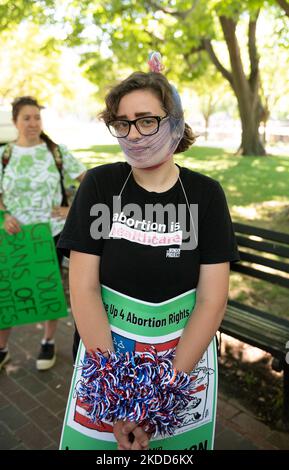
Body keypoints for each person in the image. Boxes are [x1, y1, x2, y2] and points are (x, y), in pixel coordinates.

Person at [57, 54, 239, 450]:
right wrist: (118, 393)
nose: (134, 135)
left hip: (181, 373)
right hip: (105, 369)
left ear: (174, 123)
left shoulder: (206, 195)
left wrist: (160, 396)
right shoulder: (100, 186)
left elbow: (212, 299)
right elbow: (84, 289)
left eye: (146, 120)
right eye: (122, 123)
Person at [0, 96, 86, 371]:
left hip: (50, 233)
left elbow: (90, 182)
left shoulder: (56, 152)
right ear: (15, 121)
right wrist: (4, 216)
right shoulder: (4, 155)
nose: (33, 123)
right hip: (14, 235)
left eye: (37, 117)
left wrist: (69, 209)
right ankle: (2, 349)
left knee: (48, 288)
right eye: (26, 117)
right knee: (8, 291)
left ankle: (48, 341)